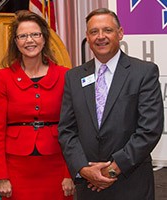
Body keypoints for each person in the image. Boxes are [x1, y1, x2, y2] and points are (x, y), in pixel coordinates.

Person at [58, 8, 164, 200]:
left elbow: (150, 129)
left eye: (107, 30)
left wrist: (113, 169)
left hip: (131, 183)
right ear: (87, 37)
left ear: (120, 33)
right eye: (93, 32)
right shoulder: (74, 77)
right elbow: (67, 130)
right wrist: (83, 168)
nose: (100, 37)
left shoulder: (143, 72)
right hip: (88, 185)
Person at [0, 10, 75, 200]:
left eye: (35, 34)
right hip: (16, 169)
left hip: (56, 165)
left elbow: (73, 127)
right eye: (23, 36)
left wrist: (70, 173)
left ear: (44, 38)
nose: (30, 40)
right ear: (16, 42)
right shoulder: (4, 77)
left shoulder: (65, 76)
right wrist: (1, 176)